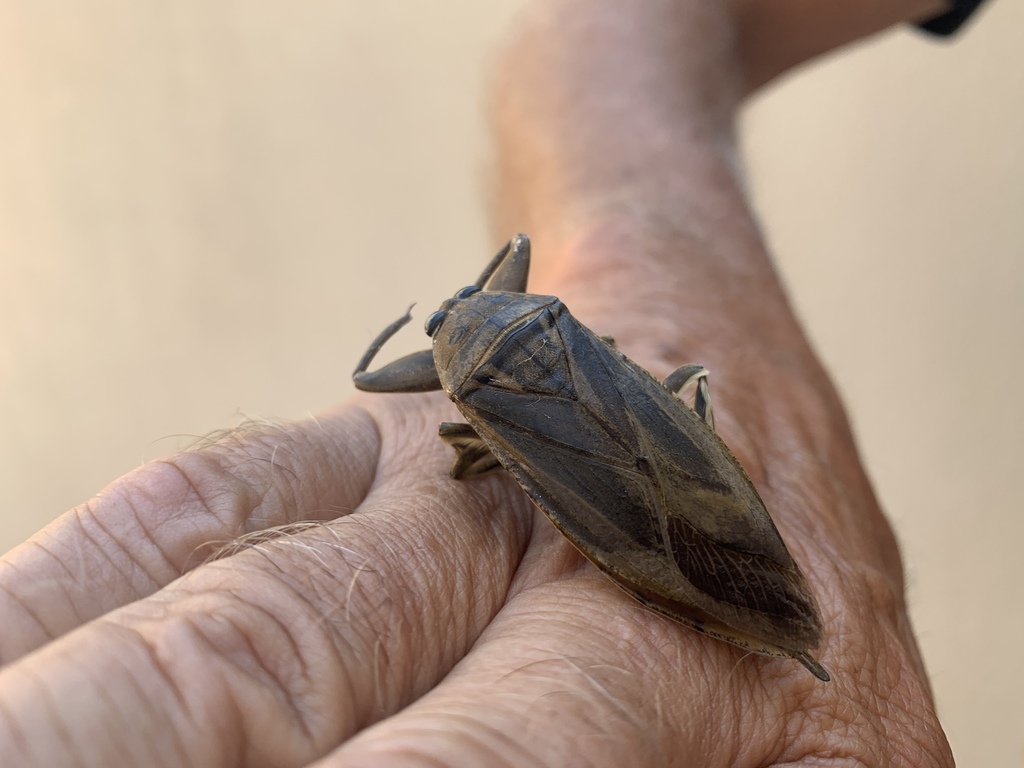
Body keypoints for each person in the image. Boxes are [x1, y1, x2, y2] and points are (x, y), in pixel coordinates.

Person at [0, 1, 970, 764]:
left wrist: (645, 242)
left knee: (631, 550)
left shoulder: (478, 416)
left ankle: (766, 622)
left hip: (601, 491)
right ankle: (774, 622)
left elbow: (473, 464)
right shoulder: (539, 320)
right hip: (640, 440)